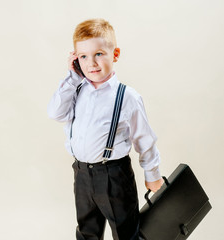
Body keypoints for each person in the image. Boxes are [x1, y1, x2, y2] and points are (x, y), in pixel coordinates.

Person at [47, 19, 164, 240]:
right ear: (75, 59)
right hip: (82, 174)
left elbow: (144, 138)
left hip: (114, 175)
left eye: (99, 54)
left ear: (115, 54)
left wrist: (152, 174)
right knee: (86, 230)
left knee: (125, 231)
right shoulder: (76, 89)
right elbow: (55, 113)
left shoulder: (127, 96)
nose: (91, 63)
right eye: (83, 57)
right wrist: (72, 77)